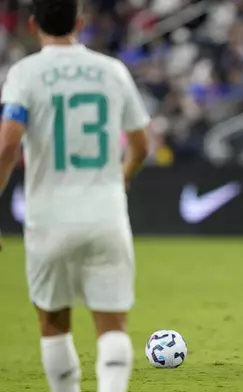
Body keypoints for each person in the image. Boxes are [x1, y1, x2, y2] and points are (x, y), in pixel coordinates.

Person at [0, 1, 150, 391]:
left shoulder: (24, 73)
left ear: (32, 25)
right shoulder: (111, 70)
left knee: (52, 322)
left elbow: (7, 146)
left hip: (48, 217)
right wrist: (122, 176)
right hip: (105, 213)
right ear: (79, 23)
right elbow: (141, 143)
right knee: (112, 323)